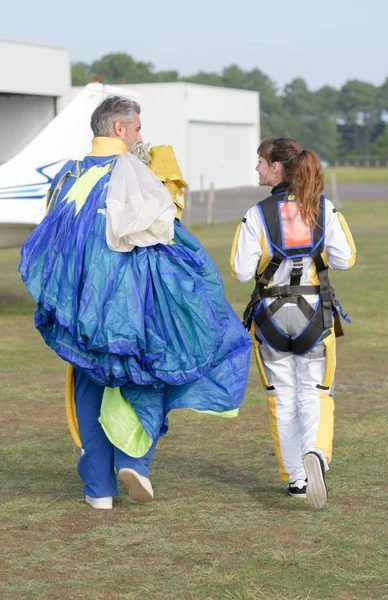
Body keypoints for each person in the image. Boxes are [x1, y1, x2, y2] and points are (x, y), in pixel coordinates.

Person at [20, 95, 252, 510]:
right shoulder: (136, 171)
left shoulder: (67, 176)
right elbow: (165, 227)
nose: (142, 136)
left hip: (79, 308)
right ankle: (134, 461)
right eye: (138, 128)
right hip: (132, 307)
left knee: (91, 385)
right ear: (119, 130)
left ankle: (98, 491)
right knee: (147, 378)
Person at [230, 137, 356, 509]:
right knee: (315, 392)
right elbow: (345, 258)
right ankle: (315, 452)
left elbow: (239, 272)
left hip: (269, 318)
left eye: (260, 162)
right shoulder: (322, 207)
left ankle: (296, 480)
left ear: (276, 168)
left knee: (281, 399)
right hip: (314, 313)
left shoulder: (258, 214)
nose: (256, 168)